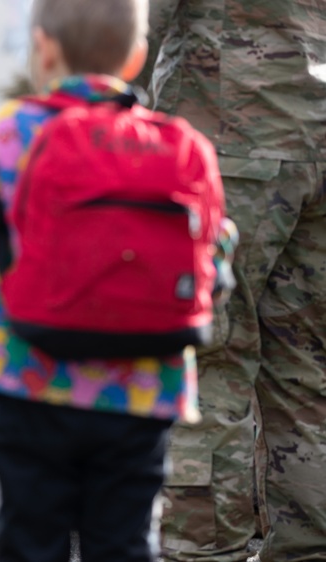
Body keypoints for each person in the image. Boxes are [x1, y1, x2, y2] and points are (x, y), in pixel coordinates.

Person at [0, 0, 234, 560]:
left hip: (30, 377)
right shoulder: (180, 143)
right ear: (138, 57)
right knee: (123, 542)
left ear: (43, 47)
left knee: (30, 539)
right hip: (144, 387)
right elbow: (217, 258)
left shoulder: (16, 129)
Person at [140, 2, 326, 560]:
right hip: (317, 133)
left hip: (227, 134)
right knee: (309, 368)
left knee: (207, 355)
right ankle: (309, 544)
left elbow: (137, 20)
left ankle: (203, 549)